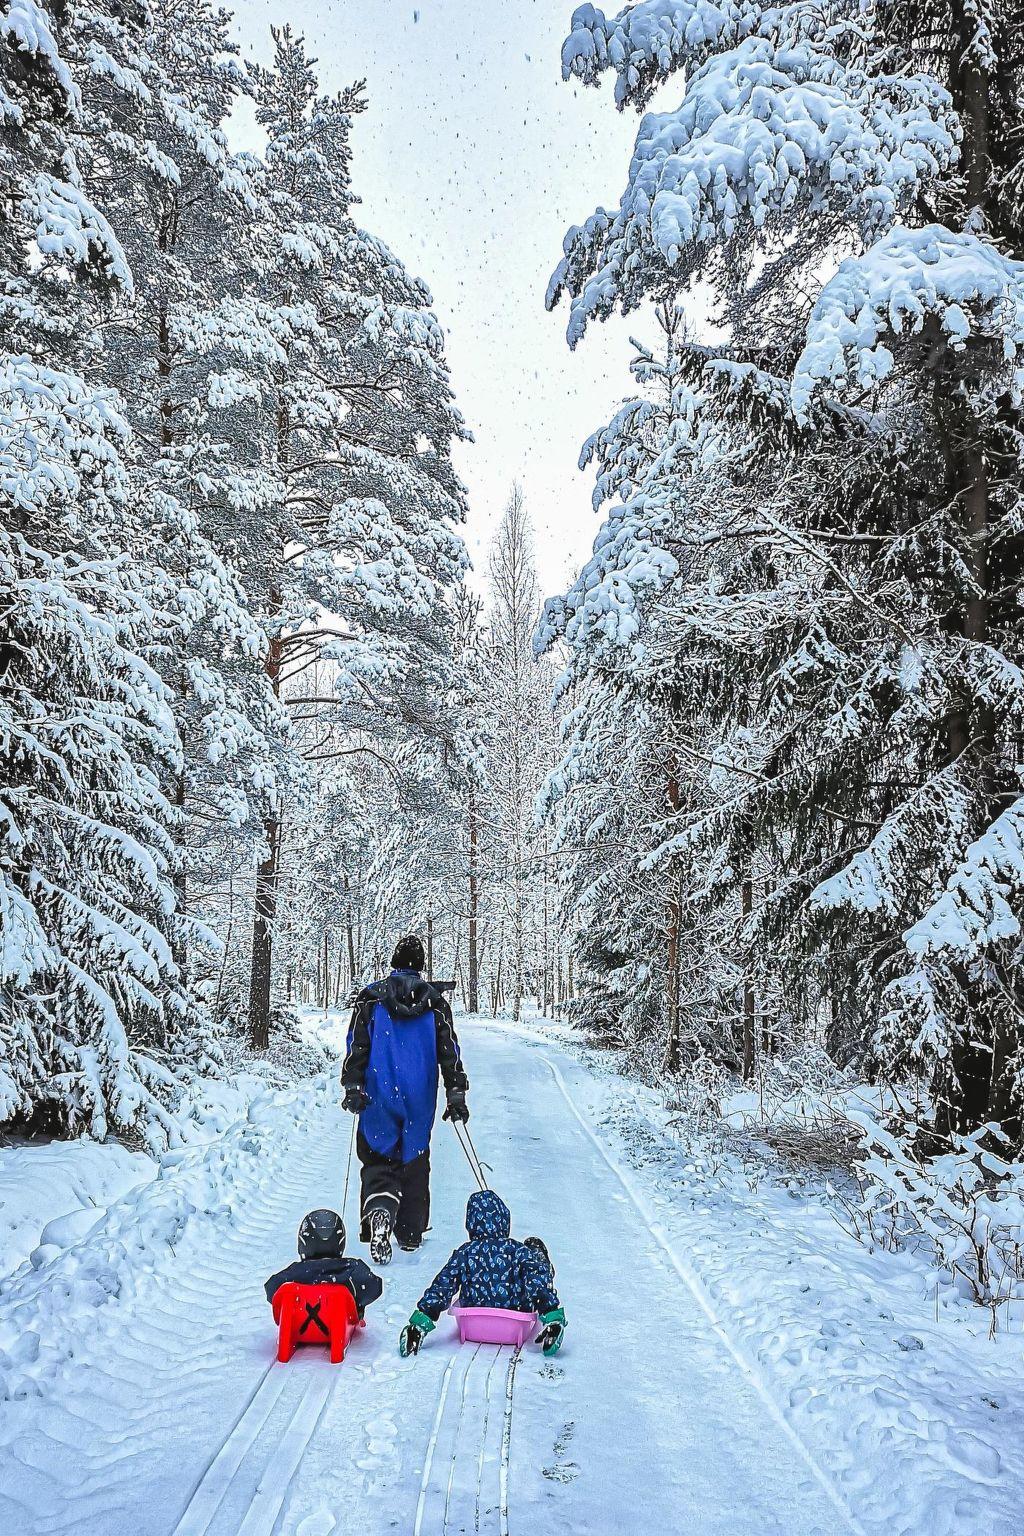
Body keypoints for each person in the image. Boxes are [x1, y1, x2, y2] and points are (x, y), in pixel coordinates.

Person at [341, 934, 469, 1265]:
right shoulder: (435, 1003)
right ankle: (410, 1233)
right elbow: (449, 1051)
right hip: (419, 1094)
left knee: (378, 1155)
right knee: (414, 1158)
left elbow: (357, 1046)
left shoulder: (372, 999)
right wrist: (456, 1093)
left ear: (394, 963)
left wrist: (353, 1085)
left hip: (380, 1089)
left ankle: (380, 1207)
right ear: (421, 967)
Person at [399, 1191, 567, 1357]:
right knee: (535, 1263)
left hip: (473, 1325)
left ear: (471, 1223)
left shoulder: (465, 1252)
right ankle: (541, 1259)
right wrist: (551, 1311)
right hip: (514, 1319)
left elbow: (443, 1285)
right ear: (503, 1219)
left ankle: (420, 1328)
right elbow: (536, 1281)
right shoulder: (517, 1250)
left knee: (530, 1264)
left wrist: (420, 1322)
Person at [264, 1208, 383, 1318]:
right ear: (340, 1242)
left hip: (299, 1329)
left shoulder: (294, 1273)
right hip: (340, 1323)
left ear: (303, 1243)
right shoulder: (351, 1269)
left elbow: (271, 1290)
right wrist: (358, 1302)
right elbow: (375, 1287)